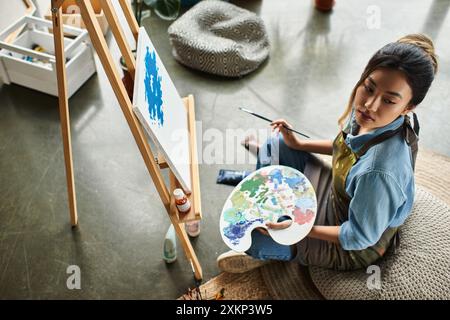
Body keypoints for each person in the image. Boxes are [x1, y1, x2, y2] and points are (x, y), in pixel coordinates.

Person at [217, 34, 438, 273]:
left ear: (408, 107)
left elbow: (359, 237)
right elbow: (343, 146)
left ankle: (268, 246)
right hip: (338, 194)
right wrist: (299, 144)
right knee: (278, 144)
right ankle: (267, 186)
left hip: (349, 241)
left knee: (253, 239)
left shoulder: (380, 172)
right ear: (363, 78)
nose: (370, 105)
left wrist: (301, 227)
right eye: (369, 88)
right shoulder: (369, 116)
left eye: (389, 100)